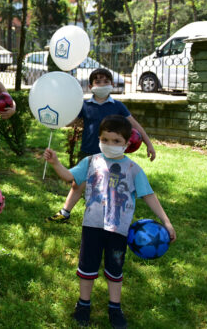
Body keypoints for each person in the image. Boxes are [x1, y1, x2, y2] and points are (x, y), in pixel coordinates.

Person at [43, 115, 175, 328]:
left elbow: (149, 195)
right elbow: (70, 178)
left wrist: (166, 222)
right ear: (99, 139)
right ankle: (83, 306)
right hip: (92, 227)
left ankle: (115, 308)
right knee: (87, 267)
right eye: (105, 140)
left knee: (115, 270)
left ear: (127, 143)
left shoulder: (133, 169)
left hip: (118, 230)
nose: (110, 145)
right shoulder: (91, 161)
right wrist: (55, 162)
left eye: (116, 141)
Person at [47, 68, 156, 223]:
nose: (102, 84)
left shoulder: (118, 106)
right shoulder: (85, 105)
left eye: (106, 81)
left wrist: (149, 144)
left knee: (108, 187)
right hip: (87, 152)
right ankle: (65, 212)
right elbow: (70, 121)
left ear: (112, 84)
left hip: (110, 156)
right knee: (77, 183)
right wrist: (56, 118)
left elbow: (136, 126)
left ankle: (108, 215)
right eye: (98, 81)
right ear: (91, 86)